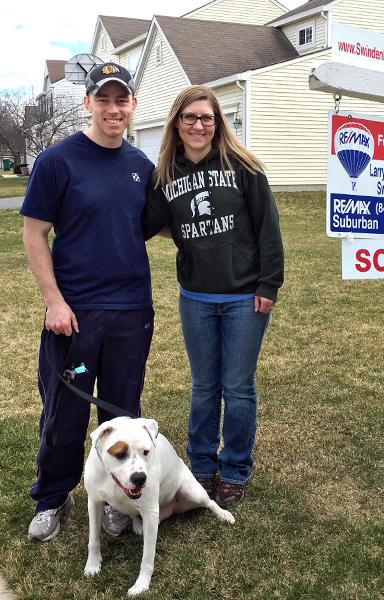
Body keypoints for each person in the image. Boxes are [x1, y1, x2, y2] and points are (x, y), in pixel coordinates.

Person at [21, 63, 155, 541]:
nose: (113, 109)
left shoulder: (142, 166)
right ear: (88, 104)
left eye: (122, 100)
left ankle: (119, 501)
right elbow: (34, 233)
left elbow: (155, 223)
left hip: (132, 309)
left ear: (133, 105)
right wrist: (53, 301)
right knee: (65, 413)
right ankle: (52, 499)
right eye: (104, 100)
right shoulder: (57, 161)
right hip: (73, 313)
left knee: (121, 413)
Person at [142, 85, 284, 508]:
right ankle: (201, 466)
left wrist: (268, 285)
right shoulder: (165, 176)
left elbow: (268, 230)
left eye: (206, 117)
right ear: (177, 124)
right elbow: (150, 223)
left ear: (218, 122)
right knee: (204, 387)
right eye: (189, 118)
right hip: (196, 298)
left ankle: (236, 467)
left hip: (245, 298)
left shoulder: (244, 167)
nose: (198, 125)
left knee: (237, 387)